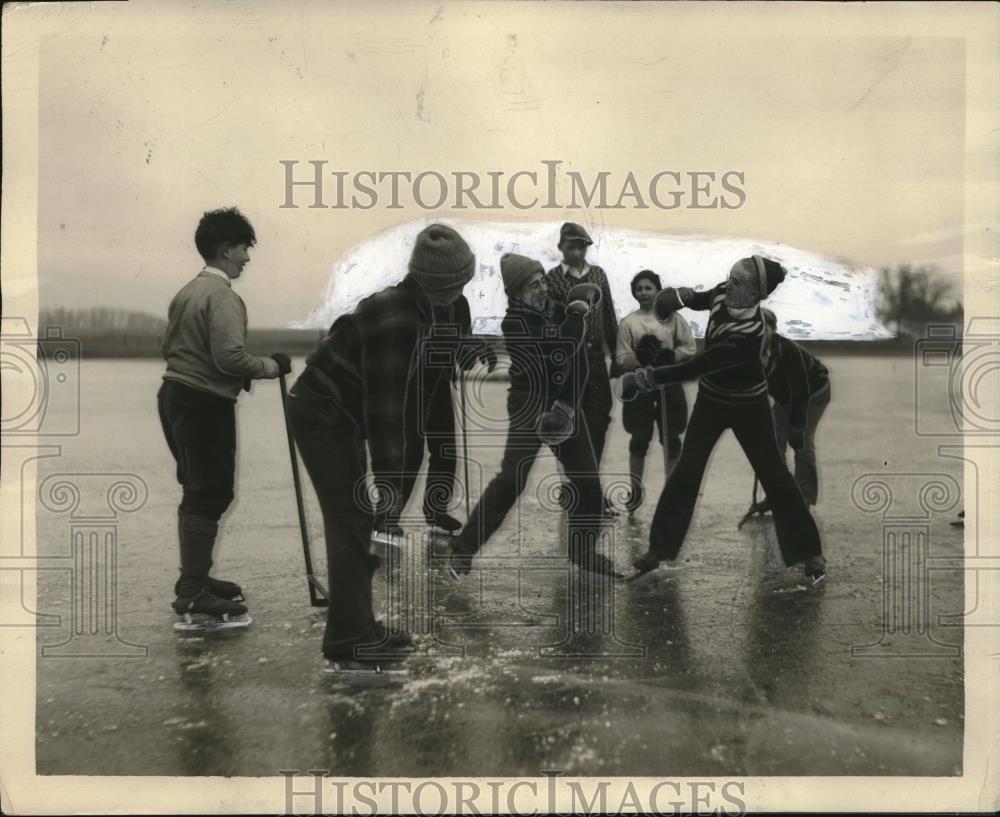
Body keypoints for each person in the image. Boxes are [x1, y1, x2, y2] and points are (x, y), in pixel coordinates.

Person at [287, 224, 475, 668]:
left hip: (333, 412)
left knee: (353, 520)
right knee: (352, 519)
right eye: (462, 280)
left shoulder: (414, 306)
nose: (467, 286)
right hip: (323, 414)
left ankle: (357, 624)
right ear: (445, 284)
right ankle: (350, 637)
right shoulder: (401, 319)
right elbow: (386, 408)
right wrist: (390, 480)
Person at [616, 256, 827, 585]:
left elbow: (693, 367)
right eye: (730, 277)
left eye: (738, 282)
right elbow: (703, 298)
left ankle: (810, 551)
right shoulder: (724, 293)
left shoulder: (748, 334)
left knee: (775, 475)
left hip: (748, 406)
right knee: (687, 470)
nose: (729, 284)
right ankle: (659, 549)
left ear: (756, 296)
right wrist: (681, 296)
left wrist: (643, 379)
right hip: (712, 401)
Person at [447, 253, 621, 580]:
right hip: (529, 402)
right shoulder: (514, 323)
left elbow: (580, 363)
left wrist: (568, 408)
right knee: (513, 477)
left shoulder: (557, 310)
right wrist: (577, 314)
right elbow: (560, 350)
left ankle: (583, 552)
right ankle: (463, 550)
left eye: (543, 281)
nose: (542, 289)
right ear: (516, 293)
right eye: (534, 285)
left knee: (588, 483)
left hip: (565, 403)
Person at [158, 207, 291, 621]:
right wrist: (272, 366)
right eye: (244, 249)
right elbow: (229, 356)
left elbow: (175, 348)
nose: (247, 258)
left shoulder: (186, 292)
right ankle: (193, 591)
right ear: (226, 248)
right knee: (212, 492)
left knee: (198, 488)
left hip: (175, 396)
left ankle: (193, 579)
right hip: (203, 403)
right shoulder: (222, 297)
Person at [374, 294, 497, 541]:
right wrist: (462, 343)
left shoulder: (461, 302)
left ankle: (436, 511)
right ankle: (386, 517)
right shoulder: (418, 298)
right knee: (410, 453)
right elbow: (423, 338)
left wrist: (472, 351)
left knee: (445, 450)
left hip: (439, 382)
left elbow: (464, 350)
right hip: (410, 382)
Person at [545, 222, 619, 515]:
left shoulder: (598, 275)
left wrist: (617, 356)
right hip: (567, 361)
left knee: (598, 423)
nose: (576, 251)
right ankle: (573, 487)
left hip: (597, 360)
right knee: (567, 424)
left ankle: (589, 487)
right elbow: (551, 322)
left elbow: (609, 313)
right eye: (571, 245)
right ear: (561, 246)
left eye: (581, 246)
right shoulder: (551, 279)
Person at [615, 270, 696, 512]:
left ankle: (671, 489)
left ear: (657, 290)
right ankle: (635, 489)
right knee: (639, 438)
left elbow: (689, 347)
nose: (643, 292)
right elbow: (621, 355)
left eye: (648, 287)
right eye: (639, 288)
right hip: (640, 386)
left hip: (667, 383)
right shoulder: (629, 322)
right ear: (634, 293)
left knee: (671, 438)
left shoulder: (672, 319)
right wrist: (638, 357)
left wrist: (671, 356)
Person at [740, 308, 831, 521]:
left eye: (764, 328)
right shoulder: (747, 352)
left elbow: (800, 393)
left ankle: (803, 499)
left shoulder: (787, 351)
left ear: (772, 330)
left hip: (813, 391)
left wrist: (796, 428)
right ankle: (777, 495)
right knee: (772, 444)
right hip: (784, 396)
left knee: (801, 442)